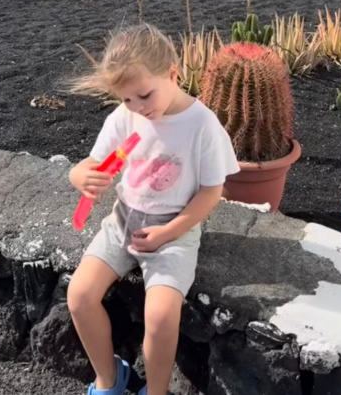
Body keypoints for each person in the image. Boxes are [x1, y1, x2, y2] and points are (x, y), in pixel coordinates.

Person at [67, 22, 239, 395]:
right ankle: (109, 378)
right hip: (123, 222)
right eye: (127, 99)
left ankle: (156, 391)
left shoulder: (201, 125)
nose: (137, 107)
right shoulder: (125, 116)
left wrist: (168, 232)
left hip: (173, 232)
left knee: (160, 315)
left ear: (173, 74)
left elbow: (211, 192)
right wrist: (79, 175)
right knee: (79, 296)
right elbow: (95, 163)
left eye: (144, 95)